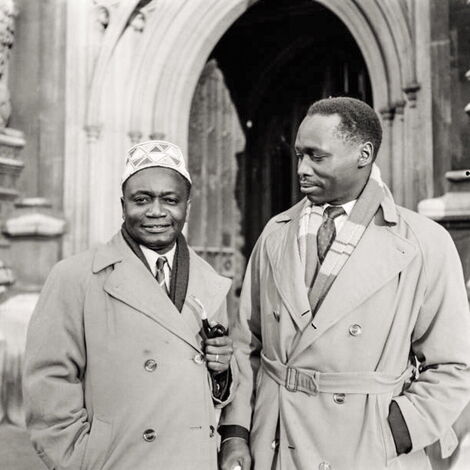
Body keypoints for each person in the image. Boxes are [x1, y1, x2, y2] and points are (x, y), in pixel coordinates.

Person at [219, 97, 470, 470]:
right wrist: (237, 433)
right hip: (277, 443)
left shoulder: (423, 242)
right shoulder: (275, 233)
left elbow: (452, 365)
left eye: (316, 157)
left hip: (368, 450)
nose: (301, 169)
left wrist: (395, 431)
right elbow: (246, 347)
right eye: (299, 155)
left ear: (364, 154)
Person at [23, 140, 236, 470]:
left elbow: (211, 387)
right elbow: (49, 381)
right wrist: (81, 459)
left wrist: (221, 372)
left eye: (170, 200)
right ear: (122, 206)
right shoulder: (74, 277)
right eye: (141, 200)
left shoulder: (209, 283)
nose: (156, 212)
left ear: (187, 208)